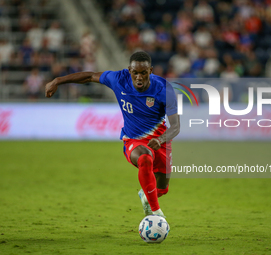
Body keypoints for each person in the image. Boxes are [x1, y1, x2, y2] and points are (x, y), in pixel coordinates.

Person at [45, 51, 180, 218]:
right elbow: (90, 76)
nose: (139, 77)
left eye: (143, 73)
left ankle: (146, 196)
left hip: (160, 141)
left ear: (150, 71)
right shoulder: (118, 79)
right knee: (145, 158)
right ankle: (156, 213)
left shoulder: (164, 89)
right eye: (135, 72)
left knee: (162, 188)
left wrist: (160, 140)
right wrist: (57, 80)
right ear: (129, 70)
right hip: (134, 140)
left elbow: (176, 127)